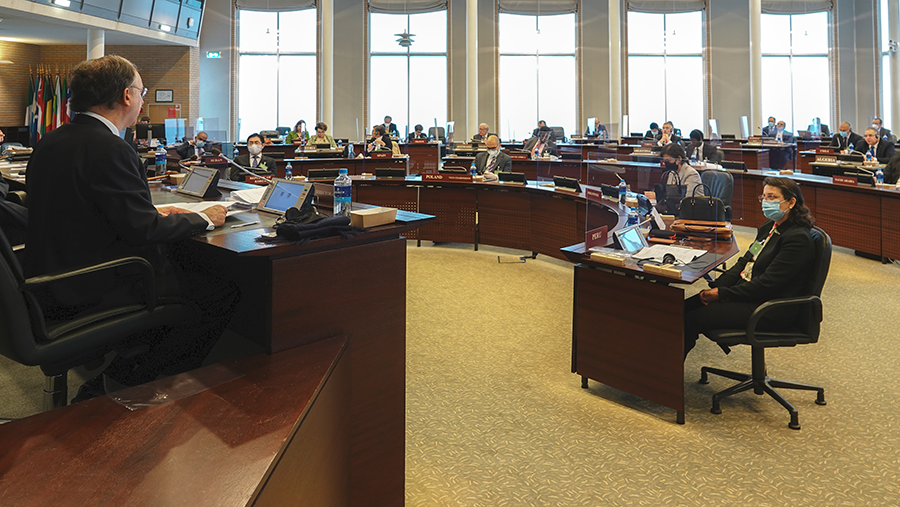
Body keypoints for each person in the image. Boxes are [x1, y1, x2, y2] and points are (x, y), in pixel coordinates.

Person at [24, 55, 239, 400]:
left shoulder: (51, 141)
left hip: (51, 278)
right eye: (142, 92)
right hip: (95, 285)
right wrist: (204, 217)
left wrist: (151, 211)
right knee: (219, 291)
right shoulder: (110, 148)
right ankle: (131, 378)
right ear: (126, 96)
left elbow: (82, 209)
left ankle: (126, 373)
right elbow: (143, 231)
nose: (142, 100)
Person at [683, 177, 816, 357]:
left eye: (772, 197)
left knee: (690, 318)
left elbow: (767, 284)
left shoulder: (797, 239)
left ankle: (667, 378)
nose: (766, 202)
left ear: (791, 202)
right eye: (764, 197)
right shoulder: (770, 227)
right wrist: (717, 287)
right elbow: (746, 260)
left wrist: (723, 294)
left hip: (769, 308)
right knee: (683, 307)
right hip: (749, 294)